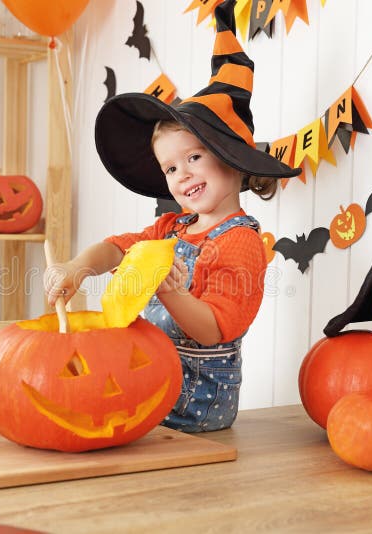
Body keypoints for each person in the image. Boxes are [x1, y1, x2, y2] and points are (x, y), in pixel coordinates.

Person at [44, 0, 300, 432]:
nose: (182, 174)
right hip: (151, 388)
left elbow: (214, 330)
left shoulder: (240, 242)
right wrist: (77, 268)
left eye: (194, 156)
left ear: (232, 160)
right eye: (170, 168)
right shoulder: (171, 228)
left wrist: (171, 292)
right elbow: (118, 248)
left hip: (195, 407)